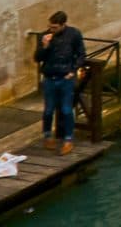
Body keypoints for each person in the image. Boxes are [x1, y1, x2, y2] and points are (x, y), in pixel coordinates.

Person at [32, 11, 84, 152]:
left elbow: (81, 54)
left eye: (54, 27)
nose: (51, 30)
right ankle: (47, 135)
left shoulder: (74, 34)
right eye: (50, 27)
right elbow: (37, 58)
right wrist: (45, 46)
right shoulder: (45, 36)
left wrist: (73, 70)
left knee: (67, 110)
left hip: (66, 77)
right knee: (48, 110)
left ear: (63, 25)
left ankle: (68, 139)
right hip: (50, 76)